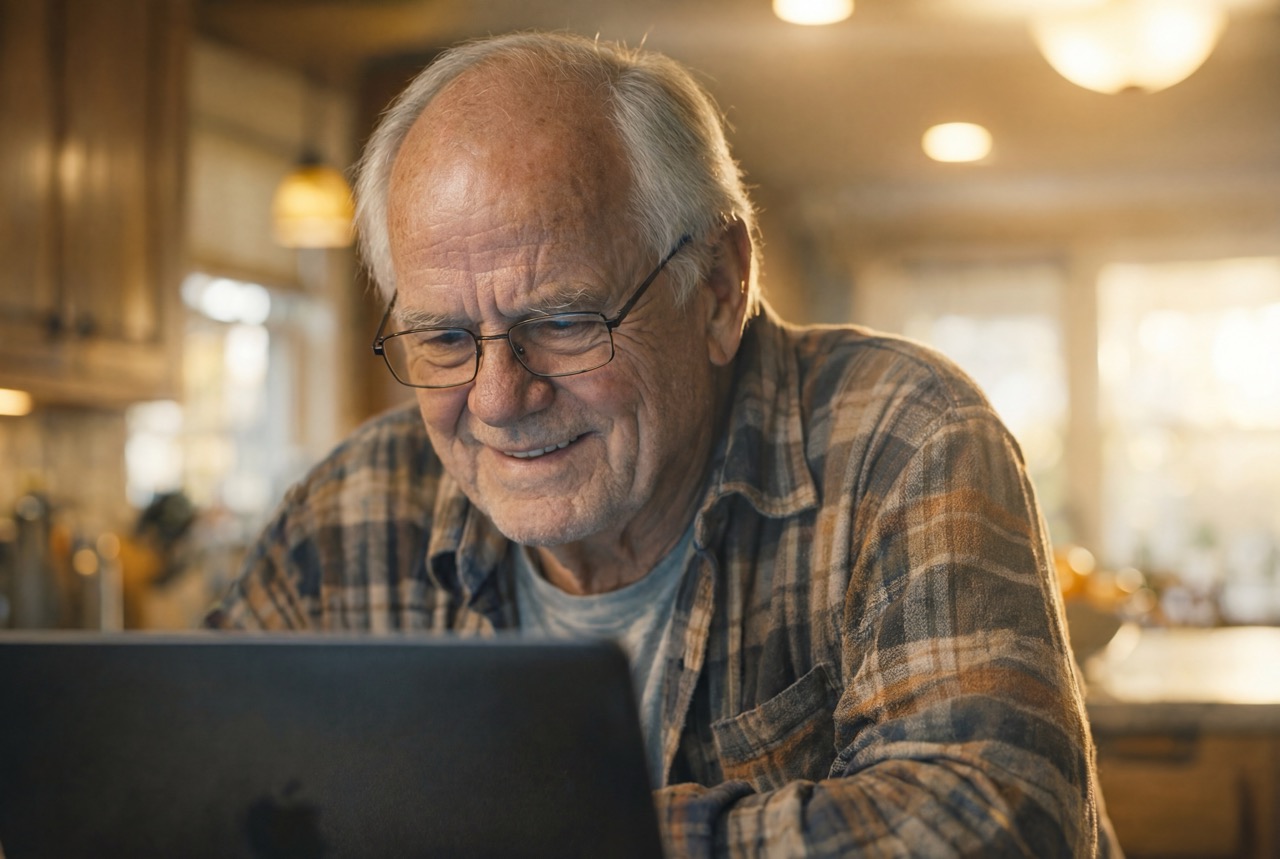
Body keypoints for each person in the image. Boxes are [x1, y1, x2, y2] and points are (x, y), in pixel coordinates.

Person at [206, 31, 1120, 858]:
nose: (496, 398)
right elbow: (196, 792)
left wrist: (523, 829)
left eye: (563, 321)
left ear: (719, 287)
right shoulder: (352, 509)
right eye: (443, 340)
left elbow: (997, 825)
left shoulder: (899, 434)